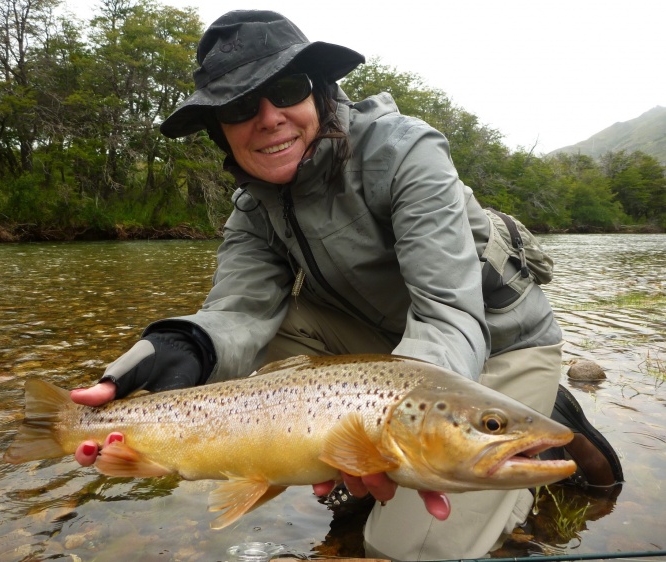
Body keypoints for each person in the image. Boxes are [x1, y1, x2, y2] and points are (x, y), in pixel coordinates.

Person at [70, 10, 622, 560]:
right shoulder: (251, 210)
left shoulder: (407, 152)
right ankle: (338, 459)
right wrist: (180, 347)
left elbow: (449, 313)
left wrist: (387, 433)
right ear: (221, 129)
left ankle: (527, 437)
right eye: (240, 107)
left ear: (319, 93)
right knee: (246, 352)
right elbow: (239, 315)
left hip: (493, 341)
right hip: (380, 358)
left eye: (285, 90)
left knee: (406, 550)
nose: (267, 118)